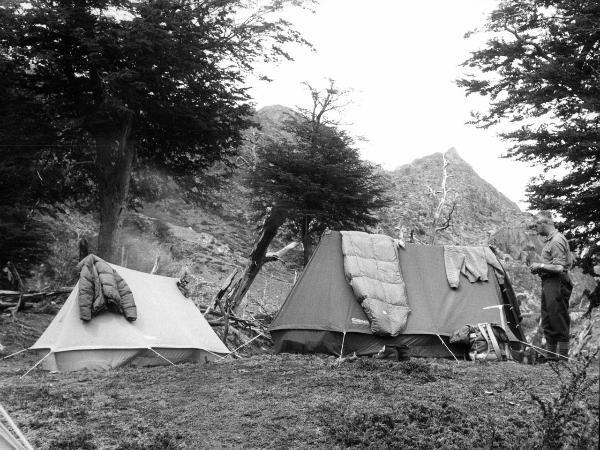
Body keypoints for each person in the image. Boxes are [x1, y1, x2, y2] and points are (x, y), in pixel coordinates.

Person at [529, 211, 573, 361]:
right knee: (548, 319)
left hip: (557, 282)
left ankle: (562, 360)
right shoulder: (549, 241)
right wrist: (541, 268)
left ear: (545, 223)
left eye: (537, 225)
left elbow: (560, 268)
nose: (536, 228)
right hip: (549, 283)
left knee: (558, 319)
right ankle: (552, 359)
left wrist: (540, 265)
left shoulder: (556, 241)